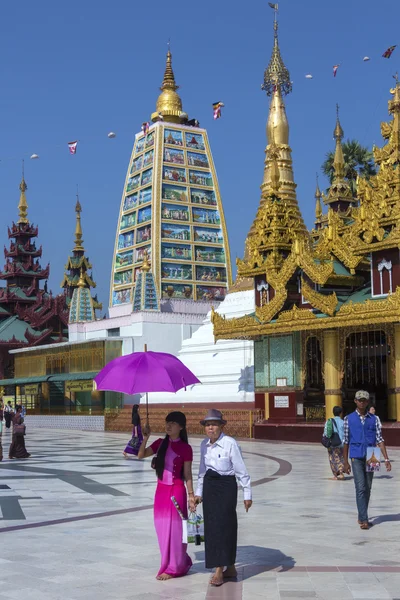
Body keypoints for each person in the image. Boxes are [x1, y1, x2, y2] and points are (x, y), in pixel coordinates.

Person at [195, 409, 252, 587]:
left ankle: (226, 567)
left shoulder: (230, 443)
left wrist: (247, 494)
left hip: (226, 486)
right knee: (212, 527)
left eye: (214, 424)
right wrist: (198, 492)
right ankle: (223, 567)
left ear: (221, 426)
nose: (210, 428)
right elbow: (202, 471)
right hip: (210, 487)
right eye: (207, 425)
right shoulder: (204, 444)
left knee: (226, 525)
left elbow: (241, 470)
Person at [138, 411, 195, 580]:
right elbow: (140, 455)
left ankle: (175, 567)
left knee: (176, 530)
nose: (168, 425)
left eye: (173, 423)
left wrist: (191, 495)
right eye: (167, 422)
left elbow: (188, 474)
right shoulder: (160, 443)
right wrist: (145, 437)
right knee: (163, 528)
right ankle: (169, 563)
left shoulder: (186, 448)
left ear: (181, 427)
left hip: (177, 491)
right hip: (161, 492)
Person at [343, 390, 391, 530]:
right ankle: (364, 519)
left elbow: (379, 439)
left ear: (367, 402)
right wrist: (345, 461)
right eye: (360, 400)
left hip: (372, 454)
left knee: (368, 487)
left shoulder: (374, 419)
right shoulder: (348, 419)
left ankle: (361, 514)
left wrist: (386, 458)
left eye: (364, 400)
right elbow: (346, 441)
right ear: (355, 401)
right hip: (356, 454)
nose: (362, 402)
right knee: (360, 487)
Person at [323, 405, 345, 480]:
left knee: (332, 458)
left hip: (332, 443)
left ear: (333, 412)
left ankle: (336, 475)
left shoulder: (329, 421)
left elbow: (326, 433)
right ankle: (341, 472)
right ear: (340, 413)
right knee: (341, 457)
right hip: (341, 443)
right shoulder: (343, 422)